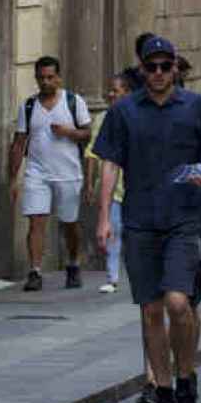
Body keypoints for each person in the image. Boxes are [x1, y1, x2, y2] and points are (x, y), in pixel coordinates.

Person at [92, 35, 201, 403]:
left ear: (175, 68)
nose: (157, 73)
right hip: (139, 221)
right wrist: (103, 218)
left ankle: (186, 379)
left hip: (185, 219)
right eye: (150, 67)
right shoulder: (124, 112)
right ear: (142, 70)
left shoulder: (196, 107)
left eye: (164, 66)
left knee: (178, 303)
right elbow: (109, 165)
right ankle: (164, 391)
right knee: (151, 310)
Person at [7, 55, 94, 292]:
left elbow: (87, 135)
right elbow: (19, 143)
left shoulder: (74, 102)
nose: (45, 82)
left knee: (69, 223)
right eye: (41, 78)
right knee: (36, 221)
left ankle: (73, 263)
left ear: (58, 77)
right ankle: (35, 271)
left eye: (50, 77)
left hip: (68, 172)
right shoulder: (28, 106)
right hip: (38, 172)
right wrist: (13, 179)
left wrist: (68, 132)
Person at [85, 75, 131, 293]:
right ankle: (112, 277)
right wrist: (89, 183)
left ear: (128, 93)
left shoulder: (137, 117)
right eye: (110, 91)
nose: (111, 94)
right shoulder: (102, 118)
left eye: (116, 90)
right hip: (112, 186)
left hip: (134, 187)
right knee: (113, 230)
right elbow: (92, 153)